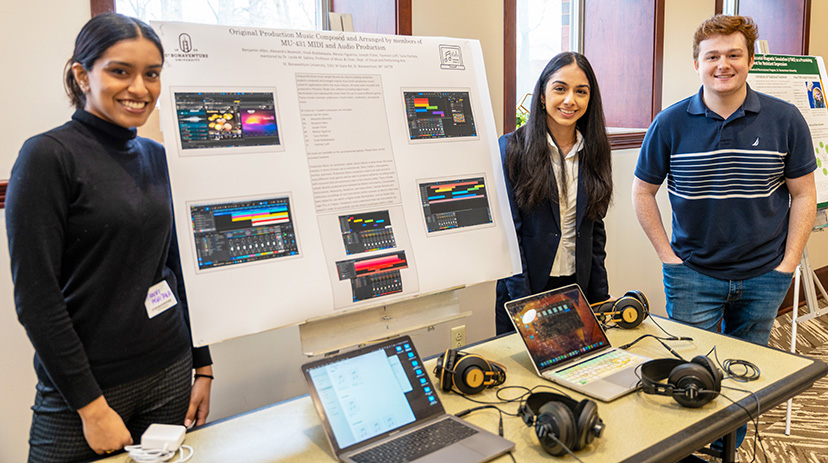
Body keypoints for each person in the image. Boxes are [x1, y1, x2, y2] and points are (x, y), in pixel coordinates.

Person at [6, 13, 214, 462]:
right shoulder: (47, 157)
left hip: (169, 371)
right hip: (86, 389)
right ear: (82, 75)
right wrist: (92, 408)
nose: (139, 88)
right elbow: (37, 301)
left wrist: (203, 364)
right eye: (120, 71)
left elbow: (179, 269)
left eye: (152, 74)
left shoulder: (156, 156)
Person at [632, 14, 816, 452]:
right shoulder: (670, 123)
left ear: (750, 60)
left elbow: (804, 196)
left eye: (734, 54)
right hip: (692, 273)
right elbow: (642, 193)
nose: (723, 64)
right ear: (696, 63)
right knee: (689, 374)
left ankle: (726, 450)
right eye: (712, 56)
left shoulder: (785, 119)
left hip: (763, 275)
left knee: (743, 375)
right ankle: (691, 452)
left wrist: (787, 265)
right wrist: (667, 257)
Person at [495, 52, 613, 335]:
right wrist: (525, 305)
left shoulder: (595, 151)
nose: (570, 100)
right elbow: (508, 235)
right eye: (560, 88)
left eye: (581, 92)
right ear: (543, 96)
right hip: (524, 289)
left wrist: (600, 298)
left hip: (576, 288)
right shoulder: (512, 149)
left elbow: (595, 229)